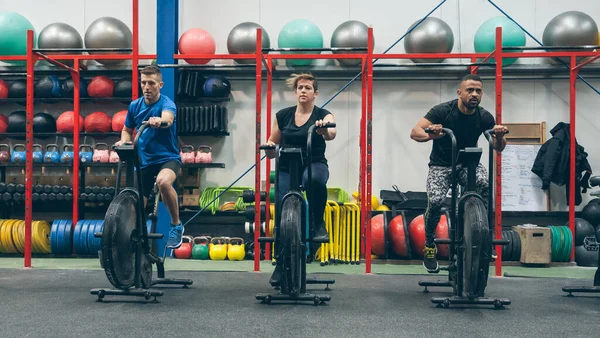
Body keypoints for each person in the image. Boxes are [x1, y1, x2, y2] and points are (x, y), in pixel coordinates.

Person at [410, 74, 508, 273]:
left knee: (484, 184)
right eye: (470, 90)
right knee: (436, 201)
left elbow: (499, 148)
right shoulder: (443, 111)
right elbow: (415, 132)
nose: (474, 94)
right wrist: (431, 133)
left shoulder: (484, 116)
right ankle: (429, 244)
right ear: (460, 93)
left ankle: (482, 236)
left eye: (478, 91)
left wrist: (498, 136)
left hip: (468, 164)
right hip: (440, 165)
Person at [264, 73, 336, 285]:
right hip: (287, 167)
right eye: (300, 88)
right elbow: (272, 143)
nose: (303, 91)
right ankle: (280, 262)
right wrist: (269, 148)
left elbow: (332, 132)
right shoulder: (283, 115)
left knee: (313, 181)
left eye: (307, 88)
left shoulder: (323, 114)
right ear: (295, 92)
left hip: (314, 164)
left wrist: (324, 130)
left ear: (315, 93)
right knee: (282, 207)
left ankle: (317, 222)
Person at [114, 65, 184, 249]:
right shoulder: (134, 106)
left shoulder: (166, 104)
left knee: (163, 182)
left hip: (168, 159)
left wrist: (159, 121)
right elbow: (126, 130)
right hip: (144, 162)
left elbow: (168, 119)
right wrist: (125, 142)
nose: (147, 87)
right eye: (143, 82)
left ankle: (176, 225)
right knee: (135, 206)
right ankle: (136, 241)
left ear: (160, 84)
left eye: (151, 83)